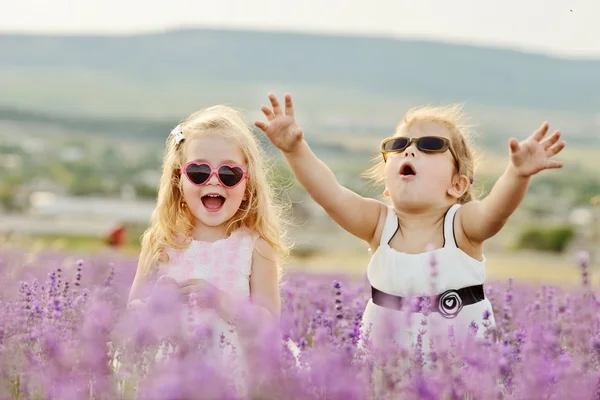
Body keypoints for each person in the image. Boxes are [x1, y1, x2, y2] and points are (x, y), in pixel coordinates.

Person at [255, 93, 565, 356]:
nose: (410, 149)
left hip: (460, 366)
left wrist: (516, 174)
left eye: (430, 144)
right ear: (387, 186)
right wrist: (295, 150)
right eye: (398, 144)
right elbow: (332, 195)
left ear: (457, 185)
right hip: (386, 361)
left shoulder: (461, 226)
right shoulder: (380, 225)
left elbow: (496, 212)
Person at [126, 104, 299, 390]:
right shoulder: (160, 242)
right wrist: (155, 303)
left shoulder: (256, 246)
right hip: (169, 372)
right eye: (198, 171)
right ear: (177, 179)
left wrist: (221, 302)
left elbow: (269, 325)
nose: (214, 180)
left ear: (248, 183)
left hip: (233, 375)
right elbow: (133, 312)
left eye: (229, 174)